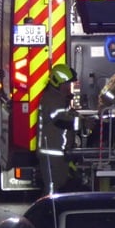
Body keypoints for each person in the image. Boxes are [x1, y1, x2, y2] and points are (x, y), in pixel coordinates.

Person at [38, 64, 79, 194]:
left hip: (59, 154)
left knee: (60, 186)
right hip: (52, 154)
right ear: (57, 83)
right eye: (67, 84)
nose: (69, 87)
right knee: (52, 190)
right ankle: (50, 207)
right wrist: (82, 123)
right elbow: (61, 121)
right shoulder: (52, 99)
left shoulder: (59, 98)